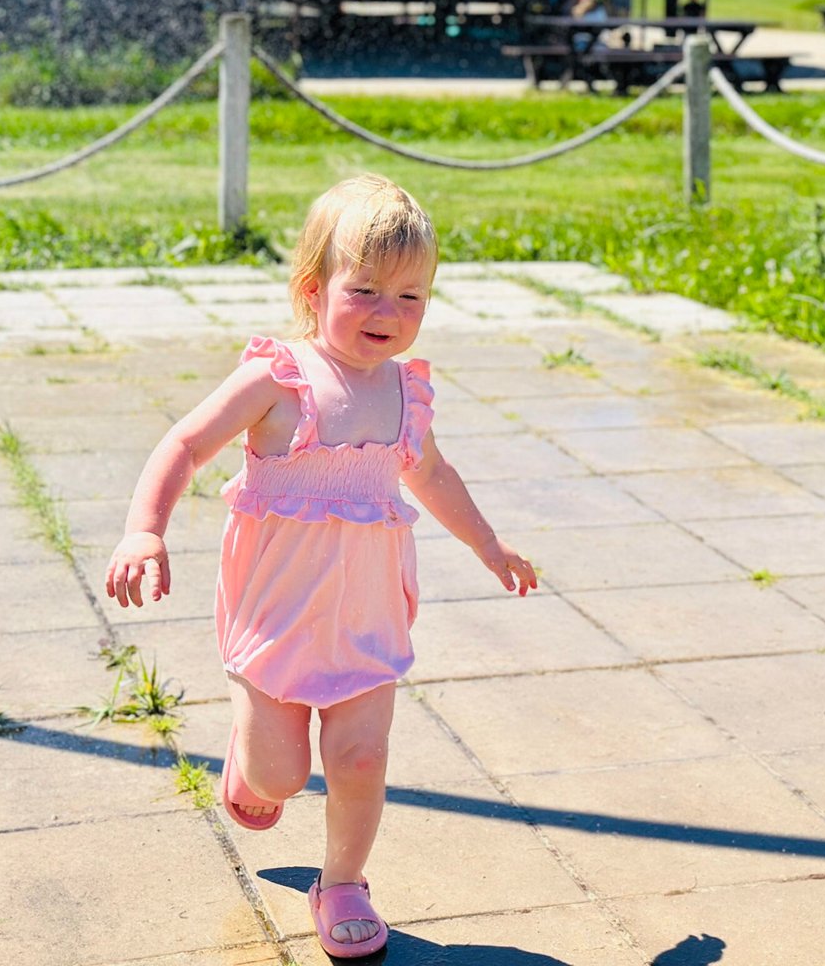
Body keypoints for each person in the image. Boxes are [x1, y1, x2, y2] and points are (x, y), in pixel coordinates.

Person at [104, 175, 535, 960]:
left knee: (362, 759)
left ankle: (342, 881)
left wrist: (489, 545)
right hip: (277, 615)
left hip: (367, 617)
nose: (388, 313)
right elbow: (185, 445)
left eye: (411, 297)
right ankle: (251, 763)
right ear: (314, 288)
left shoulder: (407, 392)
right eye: (365, 289)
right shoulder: (279, 381)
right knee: (280, 775)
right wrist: (145, 530)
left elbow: (431, 477)